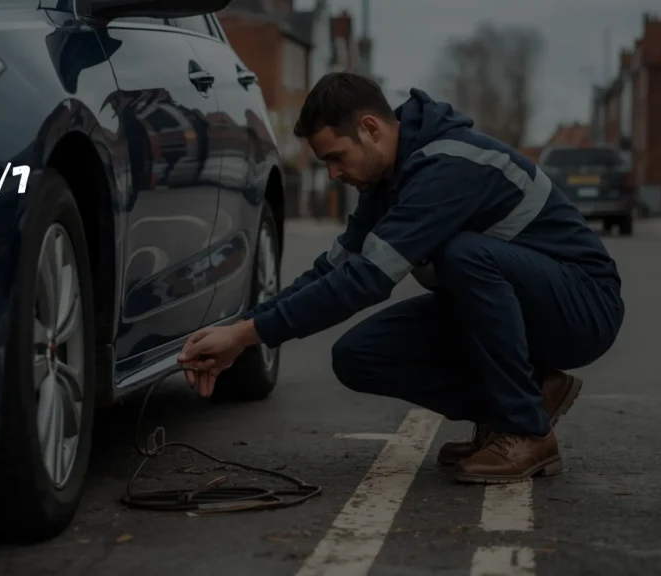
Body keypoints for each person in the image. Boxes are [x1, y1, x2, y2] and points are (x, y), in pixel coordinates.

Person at [177, 72, 625, 484]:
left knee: (464, 255)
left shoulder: (448, 167)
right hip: (527, 306)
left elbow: (365, 281)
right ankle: (529, 397)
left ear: (371, 128)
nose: (332, 174)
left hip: (583, 307)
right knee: (360, 355)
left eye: (336, 157)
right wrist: (240, 330)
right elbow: (331, 272)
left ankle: (525, 429)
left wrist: (248, 336)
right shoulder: (387, 181)